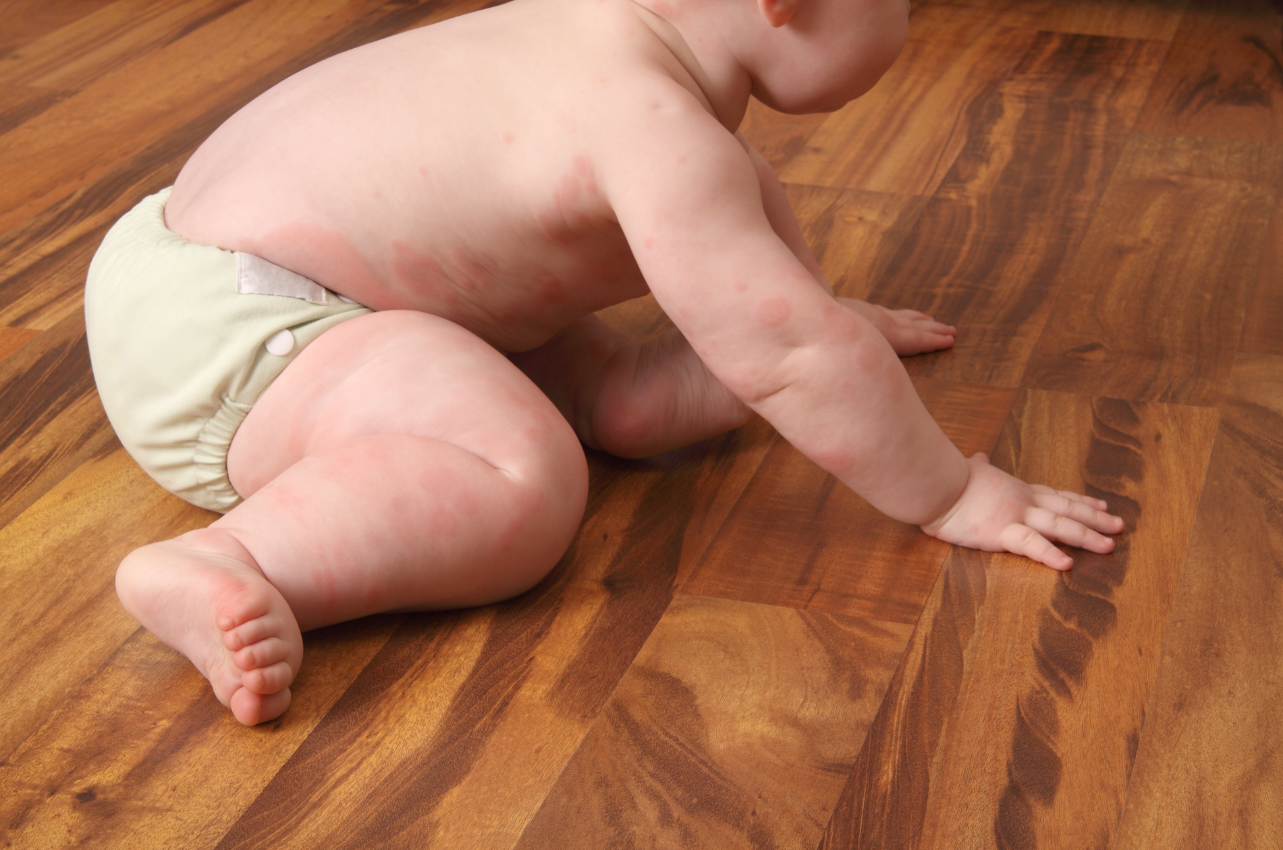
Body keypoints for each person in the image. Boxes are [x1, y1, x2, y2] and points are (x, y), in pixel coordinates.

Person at [84, 0, 1124, 726]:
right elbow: (786, 356)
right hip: (236, 329)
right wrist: (949, 491)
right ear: (781, 0)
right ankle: (235, 561)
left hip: (193, 249)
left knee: (610, 355)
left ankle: (621, 394)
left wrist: (811, 321)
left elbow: (772, 313)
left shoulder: (589, 41)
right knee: (519, 471)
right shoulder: (651, 122)